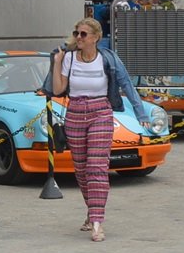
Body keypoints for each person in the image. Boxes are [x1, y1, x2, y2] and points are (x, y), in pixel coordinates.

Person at [48, 17, 149, 241]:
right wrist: (57, 62)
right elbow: (58, 89)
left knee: (97, 167)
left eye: (83, 34)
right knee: (82, 170)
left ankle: (97, 222)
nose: (78, 38)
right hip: (74, 112)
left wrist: (141, 113)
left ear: (95, 37)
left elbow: (126, 85)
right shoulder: (69, 59)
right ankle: (91, 211)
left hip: (100, 112)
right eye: (76, 33)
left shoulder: (108, 59)